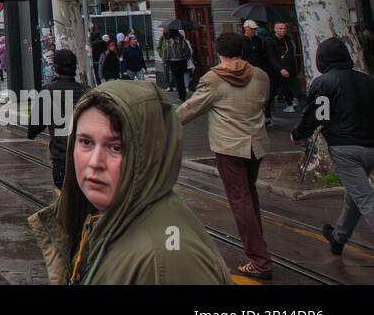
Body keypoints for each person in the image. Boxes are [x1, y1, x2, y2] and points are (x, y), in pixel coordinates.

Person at [27, 82, 229, 284]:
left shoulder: (167, 259)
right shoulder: (107, 219)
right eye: (86, 142)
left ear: (149, 154)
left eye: (116, 147)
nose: (95, 162)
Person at [177, 32, 273, 280]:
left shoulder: (213, 79)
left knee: (241, 202)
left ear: (219, 51)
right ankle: (258, 249)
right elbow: (263, 102)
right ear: (242, 50)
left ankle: (259, 260)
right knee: (249, 198)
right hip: (256, 145)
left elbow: (190, 109)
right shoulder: (261, 75)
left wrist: (163, 123)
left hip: (228, 148)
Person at [290, 37, 374, 256]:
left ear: (321, 60)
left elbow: (318, 115)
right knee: (354, 195)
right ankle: (339, 237)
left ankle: (339, 237)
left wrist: (299, 134)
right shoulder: (367, 80)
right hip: (371, 144)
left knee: (364, 198)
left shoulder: (324, 83)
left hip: (345, 147)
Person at [27, 49, 85, 189]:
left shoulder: (48, 91)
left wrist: (32, 133)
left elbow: (34, 127)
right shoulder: (86, 91)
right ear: (75, 68)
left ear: (55, 68)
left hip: (62, 158)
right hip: (86, 157)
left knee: (67, 198)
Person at [263, 22, 302, 112]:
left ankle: (291, 103)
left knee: (286, 87)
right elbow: (271, 57)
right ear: (275, 29)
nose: (283, 30)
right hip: (276, 70)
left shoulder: (287, 39)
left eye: (284, 28)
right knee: (272, 90)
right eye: (280, 28)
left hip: (287, 69)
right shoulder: (270, 40)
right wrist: (280, 69)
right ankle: (267, 110)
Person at [160, 28, 191, 100]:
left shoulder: (169, 42)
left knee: (178, 79)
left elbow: (166, 53)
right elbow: (187, 51)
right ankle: (183, 94)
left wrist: (165, 60)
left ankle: (181, 96)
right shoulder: (182, 41)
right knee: (181, 79)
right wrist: (185, 56)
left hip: (174, 62)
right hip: (182, 61)